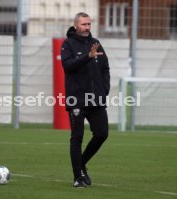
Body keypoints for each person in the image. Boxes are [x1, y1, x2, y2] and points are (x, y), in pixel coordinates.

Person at [61, 12, 110, 188]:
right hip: (77, 100)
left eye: (89, 24)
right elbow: (67, 66)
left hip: (96, 99)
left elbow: (105, 68)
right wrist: (87, 57)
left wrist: (104, 90)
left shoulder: (96, 43)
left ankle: (81, 164)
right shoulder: (68, 44)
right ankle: (78, 177)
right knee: (77, 137)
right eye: (83, 24)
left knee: (102, 133)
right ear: (76, 26)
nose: (87, 27)